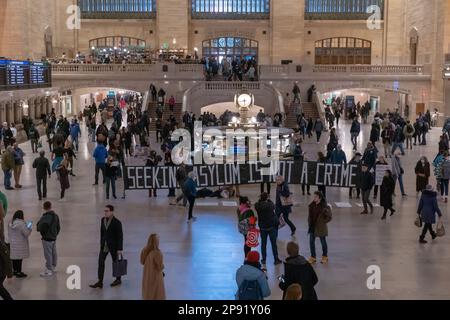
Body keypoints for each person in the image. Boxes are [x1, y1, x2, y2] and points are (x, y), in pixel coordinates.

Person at [90, 205, 123, 289]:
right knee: (101, 262)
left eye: (107, 211)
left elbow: (120, 236)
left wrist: (119, 248)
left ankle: (118, 279)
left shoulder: (117, 222)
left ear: (112, 212)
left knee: (115, 263)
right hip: (104, 245)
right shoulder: (102, 220)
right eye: (105, 211)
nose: (105, 212)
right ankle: (100, 281)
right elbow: (102, 232)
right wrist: (101, 242)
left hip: (113, 246)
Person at [254, 193, 281, 266]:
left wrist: (261, 200)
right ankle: (276, 259)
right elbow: (273, 204)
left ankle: (263, 259)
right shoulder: (270, 205)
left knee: (263, 244)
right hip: (271, 227)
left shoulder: (257, 206)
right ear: (266, 198)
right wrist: (268, 199)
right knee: (273, 244)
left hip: (263, 228)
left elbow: (257, 203)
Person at [36, 201, 60, 277]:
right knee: (54, 252)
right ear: (50, 206)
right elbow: (58, 227)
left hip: (47, 238)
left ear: (44, 207)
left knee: (48, 254)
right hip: (53, 238)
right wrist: (55, 235)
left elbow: (39, 227)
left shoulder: (45, 217)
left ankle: (49, 270)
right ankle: (53, 266)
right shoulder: (56, 216)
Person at [307, 192, 332, 264]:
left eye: (316, 197)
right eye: (314, 196)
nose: (314, 198)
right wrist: (309, 222)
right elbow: (309, 216)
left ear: (320, 198)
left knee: (323, 241)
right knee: (311, 242)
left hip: (321, 227)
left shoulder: (325, 207)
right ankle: (313, 257)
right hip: (312, 226)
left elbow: (329, 217)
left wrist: (323, 221)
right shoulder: (311, 205)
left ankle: (325, 256)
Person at [140, 234, 166, 300]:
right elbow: (160, 267)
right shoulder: (157, 253)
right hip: (156, 277)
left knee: (148, 293)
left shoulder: (144, 250)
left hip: (147, 276)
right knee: (157, 294)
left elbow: (142, 262)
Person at [8, 210, 32, 277]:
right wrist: (29, 227)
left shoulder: (10, 223)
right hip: (20, 244)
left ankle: (15, 271)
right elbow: (26, 233)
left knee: (14, 257)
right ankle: (19, 272)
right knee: (19, 258)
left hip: (13, 243)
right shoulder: (22, 224)